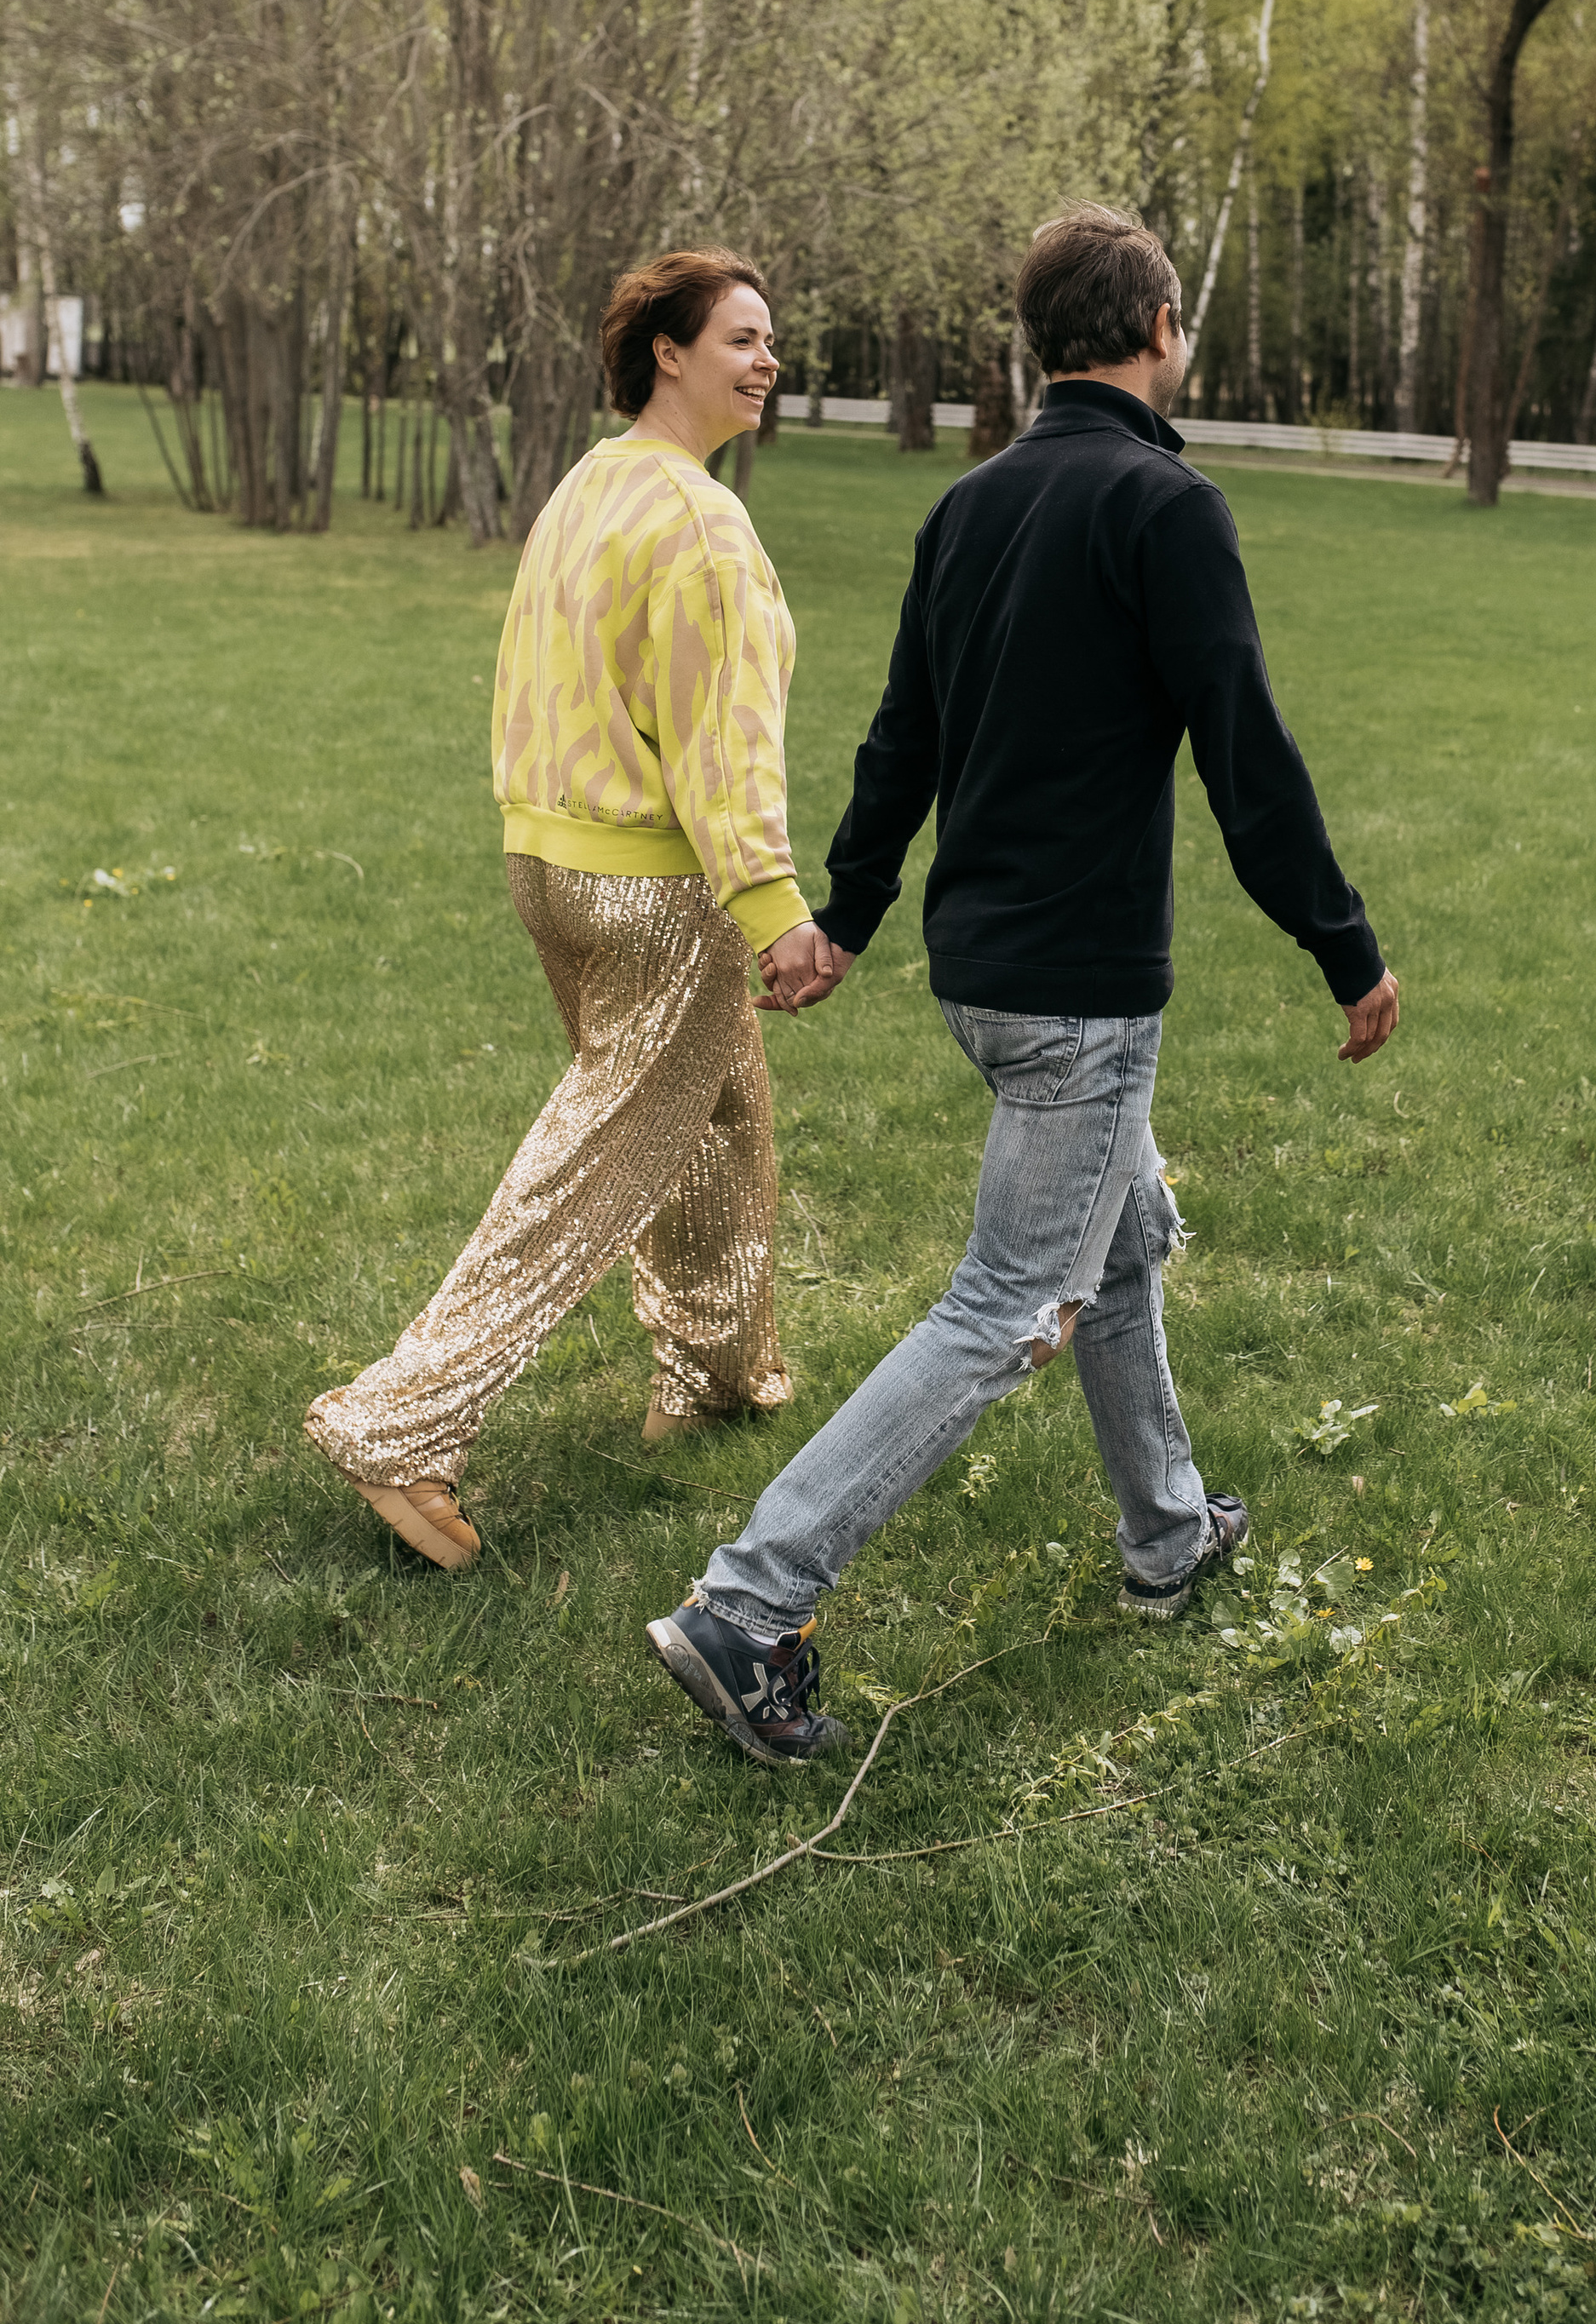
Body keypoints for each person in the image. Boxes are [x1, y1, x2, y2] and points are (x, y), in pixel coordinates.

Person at [643, 205, 1398, 1762]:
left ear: (1036, 343)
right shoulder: (1164, 505)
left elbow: (899, 738)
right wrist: (1346, 946)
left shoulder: (969, 505)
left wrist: (847, 913)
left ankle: (1168, 1533)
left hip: (980, 972)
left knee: (1113, 1249)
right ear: (1162, 330)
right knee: (1013, 1299)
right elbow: (1246, 758)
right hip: (1080, 991)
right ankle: (752, 1600)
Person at [304, 250, 841, 1571]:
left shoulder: (586, 489)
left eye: (773, 342)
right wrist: (774, 910)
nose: (768, 361)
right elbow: (726, 748)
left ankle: (716, 1367)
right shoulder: (704, 524)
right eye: (743, 338)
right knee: (594, 1159)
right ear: (668, 350)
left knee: (716, 1109)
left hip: (551, 861)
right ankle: (402, 1420)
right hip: (659, 887)